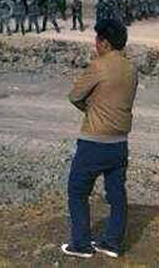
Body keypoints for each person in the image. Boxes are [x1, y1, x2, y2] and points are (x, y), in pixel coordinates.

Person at [62, 18, 137, 259]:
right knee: (116, 194)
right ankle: (112, 243)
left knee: (77, 190)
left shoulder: (99, 66)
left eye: (97, 40)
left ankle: (81, 245)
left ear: (103, 42)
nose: (95, 44)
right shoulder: (131, 68)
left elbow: (74, 96)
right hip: (119, 143)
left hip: (94, 141)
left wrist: (91, 108)